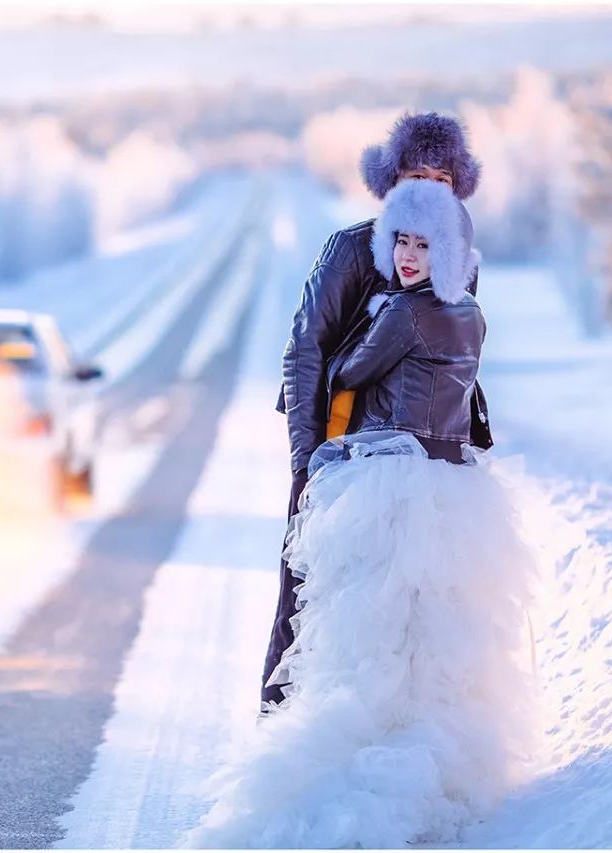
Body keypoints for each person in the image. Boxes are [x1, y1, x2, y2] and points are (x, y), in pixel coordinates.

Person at [186, 178, 538, 849]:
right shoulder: (472, 313)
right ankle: (433, 771)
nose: (407, 255)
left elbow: (346, 365)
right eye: (400, 239)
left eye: (422, 242)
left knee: (363, 638)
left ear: (449, 247)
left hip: (391, 481)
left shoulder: (404, 313)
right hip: (455, 486)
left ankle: (353, 779)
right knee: (431, 643)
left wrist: (368, 331)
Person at [264, 112, 493, 711]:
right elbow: (306, 350)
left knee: (416, 620)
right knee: (310, 610)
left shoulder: (458, 257)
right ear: (392, 181)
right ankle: (287, 743)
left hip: (417, 468)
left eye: (441, 178)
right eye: (416, 174)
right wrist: (306, 456)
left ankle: (404, 747)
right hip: (341, 456)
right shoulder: (351, 249)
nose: (428, 189)